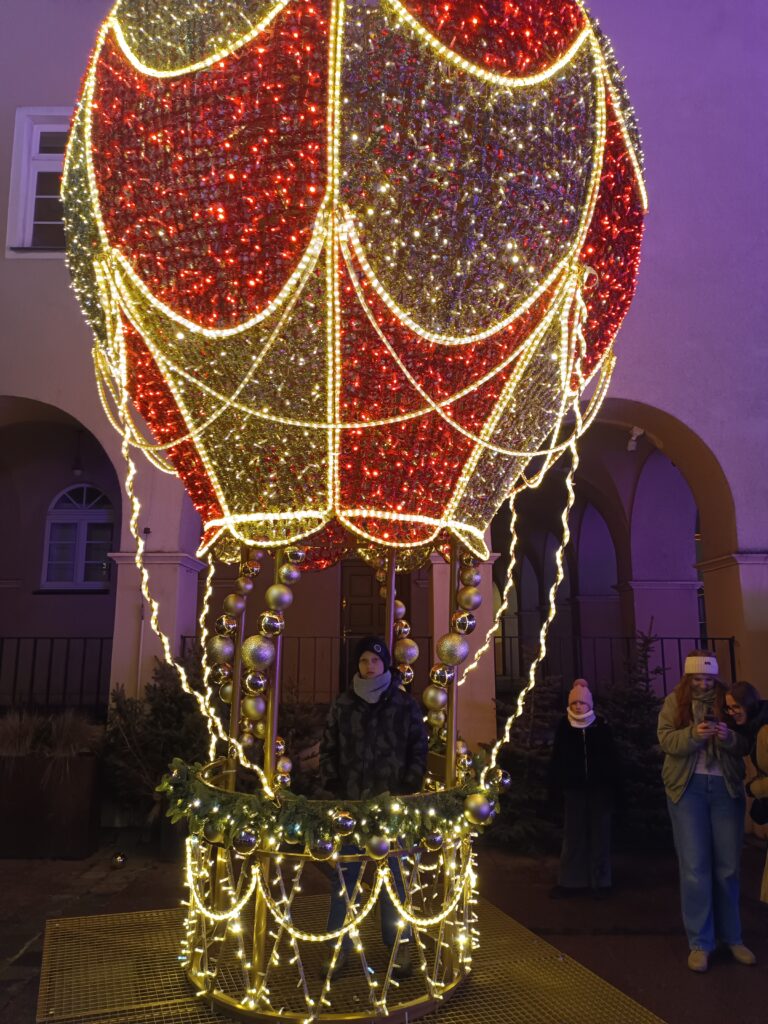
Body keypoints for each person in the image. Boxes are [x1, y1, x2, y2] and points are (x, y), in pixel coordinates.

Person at [317, 635, 428, 979]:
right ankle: (338, 947)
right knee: (345, 877)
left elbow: (418, 747)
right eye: (364, 660)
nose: (369, 666)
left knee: (395, 877)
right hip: (351, 804)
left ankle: (398, 945)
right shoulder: (344, 704)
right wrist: (334, 784)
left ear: (385, 664)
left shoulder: (404, 705)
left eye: (375, 660)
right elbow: (329, 746)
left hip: (392, 803)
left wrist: (408, 784)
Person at [657, 651, 755, 972]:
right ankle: (701, 942)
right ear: (688, 678)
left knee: (728, 867)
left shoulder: (728, 702)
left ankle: (733, 937)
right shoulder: (675, 702)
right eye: (697, 678)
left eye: (708, 679)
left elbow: (746, 743)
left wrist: (728, 737)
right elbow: (666, 740)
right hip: (688, 789)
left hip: (725, 788)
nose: (703, 684)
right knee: (694, 867)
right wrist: (692, 735)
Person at [548, 679, 620, 900]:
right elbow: (558, 757)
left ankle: (601, 881)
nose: (578, 707)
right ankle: (571, 881)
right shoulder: (565, 727)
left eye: (582, 703)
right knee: (573, 834)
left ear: (589, 704)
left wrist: (609, 782)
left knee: (600, 834)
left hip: (599, 788)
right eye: (575, 703)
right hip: (574, 788)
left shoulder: (600, 726)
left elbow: (610, 757)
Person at [725, 680, 768, 903]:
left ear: (749, 704)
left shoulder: (764, 732)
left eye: (736, 706)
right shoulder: (756, 729)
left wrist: (753, 787)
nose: (732, 712)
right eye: (728, 708)